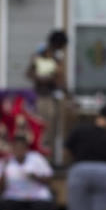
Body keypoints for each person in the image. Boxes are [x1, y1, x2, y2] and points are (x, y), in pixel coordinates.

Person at [0, 135, 55, 210]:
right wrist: (4, 169)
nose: (18, 151)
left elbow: (49, 179)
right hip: (14, 196)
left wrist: (34, 176)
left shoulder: (36, 159)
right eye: (16, 148)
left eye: (21, 148)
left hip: (36, 195)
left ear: (26, 149)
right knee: (1, 207)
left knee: (44, 207)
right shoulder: (5, 162)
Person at [26, 30, 69, 163]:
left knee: (54, 132)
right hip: (43, 97)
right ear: (58, 44)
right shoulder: (41, 55)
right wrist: (46, 78)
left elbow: (60, 79)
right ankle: (43, 162)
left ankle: (50, 160)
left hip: (54, 97)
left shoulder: (57, 57)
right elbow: (30, 73)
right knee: (44, 131)